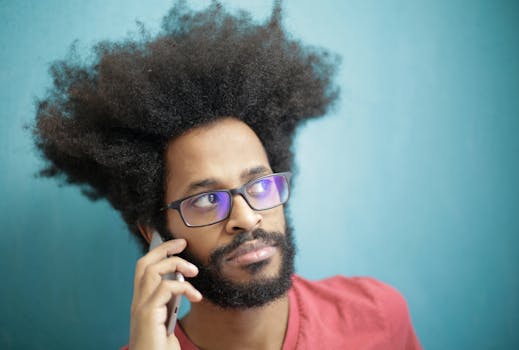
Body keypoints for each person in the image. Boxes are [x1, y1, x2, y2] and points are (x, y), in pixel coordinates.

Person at [32, 1, 422, 349]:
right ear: (153, 230)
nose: (247, 218)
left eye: (260, 185)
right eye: (206, 199)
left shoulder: (377, 318)